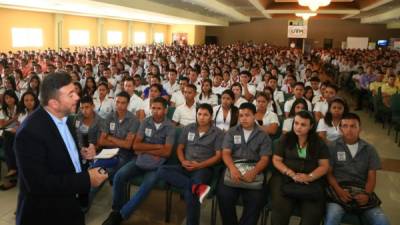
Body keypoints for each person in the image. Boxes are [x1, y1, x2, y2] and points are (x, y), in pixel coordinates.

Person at [14, 72, 108, 225]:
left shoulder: (66, 119)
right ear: (54, 103)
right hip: (47, 213)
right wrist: (87, 179)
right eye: (71, 94)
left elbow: (59, 154)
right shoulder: (29, 133)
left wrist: (80, 155)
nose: (77, 97)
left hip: (71, 205)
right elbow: (38, 184)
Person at [103, 97, 175, 225]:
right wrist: (158, 147)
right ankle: (116, 209)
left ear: (165, 110)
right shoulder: (145, 122)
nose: (155, 111)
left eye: (159, 109)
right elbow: (136, 146)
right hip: (140, 160)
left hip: (156, 166)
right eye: (153, 108)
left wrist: (145, 149)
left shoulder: (170, 127)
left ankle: (122, 214)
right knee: (119, 176)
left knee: (145, 186)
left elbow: (167, 152)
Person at [159, 103, 224, 225]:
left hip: (203, 168)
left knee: (191, 194)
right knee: (162, 170)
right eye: (199, 114)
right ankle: (197, 187)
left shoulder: (218, 133)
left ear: (211, 117)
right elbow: (180, 148)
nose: (202, 117)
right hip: (186, 165)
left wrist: (200, 165)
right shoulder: (188, 128)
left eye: (205, 115)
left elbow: (218, 156)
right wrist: (183, 161)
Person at [325, 113, 390, 225]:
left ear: (360, 129)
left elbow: (371, 177)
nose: (349, 130)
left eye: (353, 126)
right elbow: (329, 173)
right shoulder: (332, 147)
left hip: (361, 191)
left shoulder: (369, 150)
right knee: (332, 217)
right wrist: (339, 190)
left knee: (382, 221)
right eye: (345, 126)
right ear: (340, 129)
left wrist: (367, 194)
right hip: (338, 191)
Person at [269, 110, 330, 225]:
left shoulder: (318, 142)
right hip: (284, 178)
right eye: (296, 123)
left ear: (311, 126)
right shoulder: (286, 138)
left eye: (303, 124)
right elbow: (276, 160)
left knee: (313, 214)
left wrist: (309, 177)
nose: (298, 127)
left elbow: (324, 166)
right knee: (281, 210)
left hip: (311, 180)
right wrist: (290, 173)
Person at [217, 102, 271, 225]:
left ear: (255, 116)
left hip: (254, 168)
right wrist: (232, 168)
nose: (243, 118)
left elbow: (264, 159)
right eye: (241, 115)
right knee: (224, 195)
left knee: (256, 200)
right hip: (234, 167)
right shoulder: (231, 132)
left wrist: (254, 172)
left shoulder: (263, 135)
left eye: (247, 115)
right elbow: (226, 153)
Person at [0, 90, 19, 190]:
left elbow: (21, 122)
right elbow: (2, 125)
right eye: (6, 98)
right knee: (7, 140)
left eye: (11, 97)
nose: (9, 100)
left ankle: (12, 172)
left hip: (17, 133)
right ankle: (12, 172)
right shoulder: (3, 110)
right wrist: (13, 119)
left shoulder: (20, 108)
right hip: (6, 133)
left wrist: (14, 123)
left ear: (14, 98)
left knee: (8, 142)